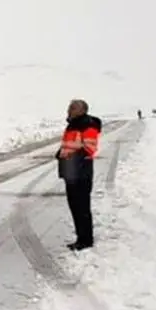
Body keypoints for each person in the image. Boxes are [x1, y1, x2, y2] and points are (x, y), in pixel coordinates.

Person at [56, 99, 102, 251]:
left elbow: (89, 148)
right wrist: (61, 153)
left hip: (81, 173)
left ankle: (86, 240)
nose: (68, 110)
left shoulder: (87, 125)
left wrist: (70, 158)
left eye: (72, 108)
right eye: (69, 107)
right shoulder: (73, 125)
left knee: (82, 207)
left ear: (82, 110)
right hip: (71, 173)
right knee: (74, 207)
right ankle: (80, 238)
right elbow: (71, 145)